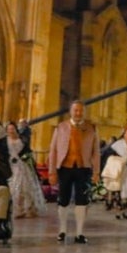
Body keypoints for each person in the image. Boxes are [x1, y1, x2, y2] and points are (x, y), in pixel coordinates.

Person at [46, 101, 99, 244]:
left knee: (82, 201)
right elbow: (53, 150)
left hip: (84, 168)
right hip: (64, 168)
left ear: (84, 112)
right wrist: (52, 172)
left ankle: (79, 233)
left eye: (81, 111)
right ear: (71, 111)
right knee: (63, 199)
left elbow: (96, 152)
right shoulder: (61, 127)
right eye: (75, 110)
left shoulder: (91, 128)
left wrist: (96, 172)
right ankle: (62, 230)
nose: (78, 113)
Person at [6, 121, 43, 218]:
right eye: (9, 129)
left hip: (21, 165)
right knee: (12, 187)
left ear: (15, 129)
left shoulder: (22, 140)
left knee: (24, 187)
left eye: (12, 129)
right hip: (10, 165)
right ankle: (15, 209)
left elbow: (27, 152)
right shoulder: (4, 141)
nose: (11, 131)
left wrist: (24, 157)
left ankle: (27, 209)